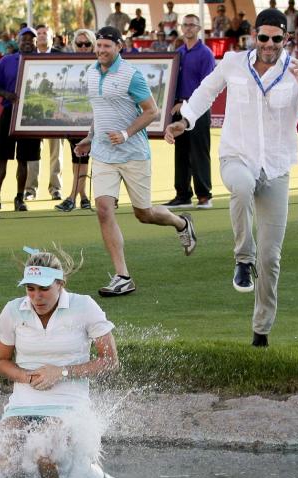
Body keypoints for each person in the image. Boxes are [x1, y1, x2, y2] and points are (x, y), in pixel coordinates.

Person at [165, 8, 298, 347]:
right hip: (236, 156)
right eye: (263, 37)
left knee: (271, 258)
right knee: (240, 188)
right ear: (253, 36)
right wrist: (184, 121)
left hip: (276, 168)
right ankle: (243, 259)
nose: (269, 44)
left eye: (276, 38)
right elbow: (205, 92)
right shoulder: (232, 62)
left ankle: (261, 332)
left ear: (286, 39)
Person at [74, 26, 197, 298]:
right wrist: (89, 137)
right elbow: (101, 112)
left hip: (134, 154)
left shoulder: (132, 75)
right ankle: (122, 276)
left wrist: (127, 133)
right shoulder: (92, 73)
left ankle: (181, 224)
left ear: (119, 47)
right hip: (104, 154)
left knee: (144, 214)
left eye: (107, 46)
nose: (101, 50)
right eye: (99, 45)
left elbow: (152, 111)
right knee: (104, 210)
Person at [0, 247, 118, 478]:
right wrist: (27, 377)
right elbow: (1, 362)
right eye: (31, 289)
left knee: (45, 455)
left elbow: (110, 361)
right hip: (22, 405)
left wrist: (61, 372)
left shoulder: (84, 306)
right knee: (5, 463)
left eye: (44, 289)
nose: (37, 297)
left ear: (60, 283)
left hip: (68, 403)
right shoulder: (12, 310)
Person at [163, 14, 216, 210]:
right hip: (178, 109)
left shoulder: (206, 54)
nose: (188, 28)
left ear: (199, 28)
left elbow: (207, 86)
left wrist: (185, 102)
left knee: (199, 152)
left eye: (192, 25)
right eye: (185, 25)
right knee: (181, 152)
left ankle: (204, 196)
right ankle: (182, 195)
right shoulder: (178, 53)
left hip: (199, 109)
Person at [0, 26, 42, 213]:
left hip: (31, 115)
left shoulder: (43, 62)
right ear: (17, 42)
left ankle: (19, 198)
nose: (27, 42)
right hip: (9, 112)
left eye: (31, 39)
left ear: (36, 43)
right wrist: (8, 95)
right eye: (23, 39)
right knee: (2, 157)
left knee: (24, 160)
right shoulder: (6, 61)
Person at [56, 29, 96, 213]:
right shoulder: (69, 65)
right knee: (76, 156)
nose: (83, 47)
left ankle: (72, 197)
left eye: (87, 44)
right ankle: (84, 197)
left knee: (82, 155)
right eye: (79, 44)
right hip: (73, 119)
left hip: (93, 119)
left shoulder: (98, 65)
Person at [27, 23, 64, 202]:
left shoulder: (62, 57)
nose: (41, 36)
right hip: (34, 112)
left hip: (54, 112)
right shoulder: (28, 57)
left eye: (45, 33)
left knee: (56, 151)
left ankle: (55, 188)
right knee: (33, 151)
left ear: (52, 37)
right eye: (39, 33)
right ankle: (30, 189)